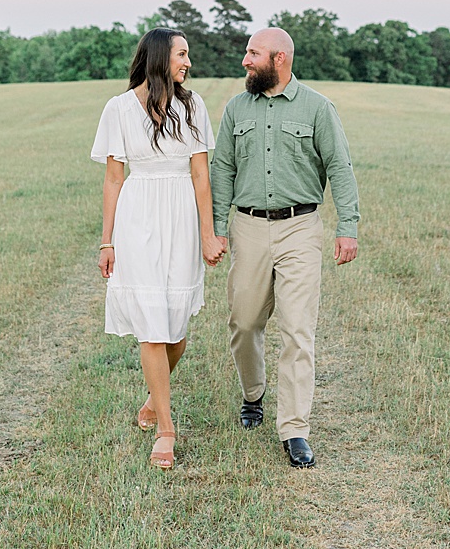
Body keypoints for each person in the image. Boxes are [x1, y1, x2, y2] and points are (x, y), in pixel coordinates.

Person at [210, 27, 360, 468]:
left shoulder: (318, 108)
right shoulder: (237, 108)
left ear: (279, 59)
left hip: (300, 228)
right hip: (248, 226)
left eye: (252, 53)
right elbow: (222, 169)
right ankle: (253, 395)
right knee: (244, 321)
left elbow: (340, 166)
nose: (244, 60)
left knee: (298, 330)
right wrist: (216, 229)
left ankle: (294, 429)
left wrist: (347, 227)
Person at [92, 28, 226, 470]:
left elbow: (201, 175)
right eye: (182, 54)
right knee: (152, 324)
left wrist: (208, 233)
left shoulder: (193, 105)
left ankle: (154, 397)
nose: (188, 63)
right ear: (158, 58)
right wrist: (107, 240)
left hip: (182, 216)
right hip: (139, 217)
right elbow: (113, 179)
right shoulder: (118, 109)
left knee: (176, 324)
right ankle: (166, 431)